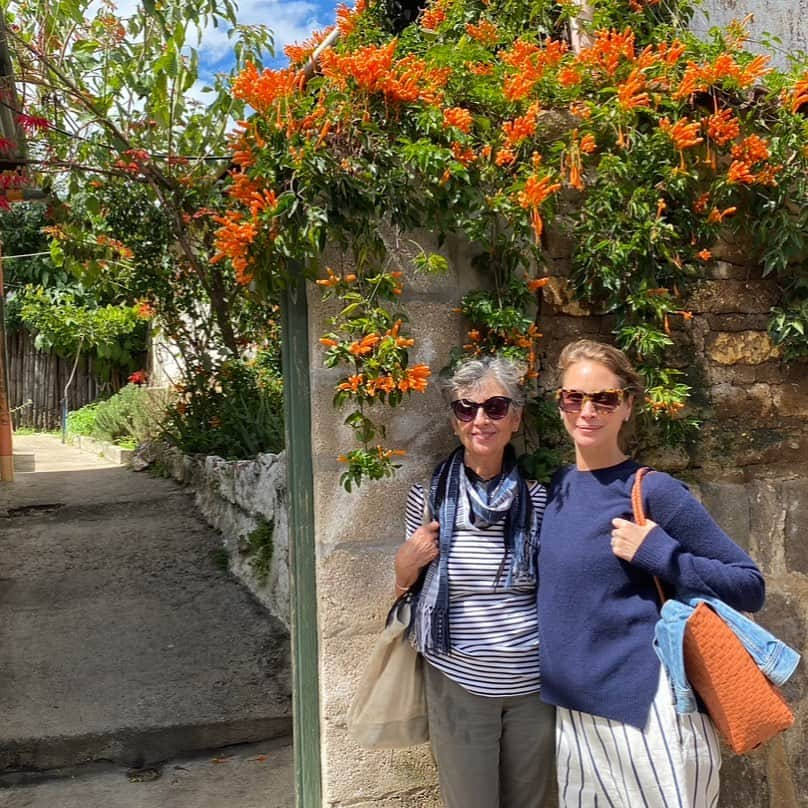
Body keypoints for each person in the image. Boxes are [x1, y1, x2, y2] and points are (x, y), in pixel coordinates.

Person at [538, 339, 766, 807]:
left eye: (604, 398)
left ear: (627, 407)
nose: (588, 410)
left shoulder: (654, 491)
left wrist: (663, 554)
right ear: (559, 403)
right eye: (574, 397)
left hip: (646, 712)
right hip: (573, 719)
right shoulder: (555, 490)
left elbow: (749, 584)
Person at [394, 355, 555, 808]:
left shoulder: (541, 501)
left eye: (495, 408)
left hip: (531, 687)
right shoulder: (427, 498)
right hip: (458, 683)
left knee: (533, 801)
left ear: (516, 418)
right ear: (454, 421)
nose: (480, 419)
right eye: (466, 409)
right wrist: (404, 563)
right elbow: (406, 589)